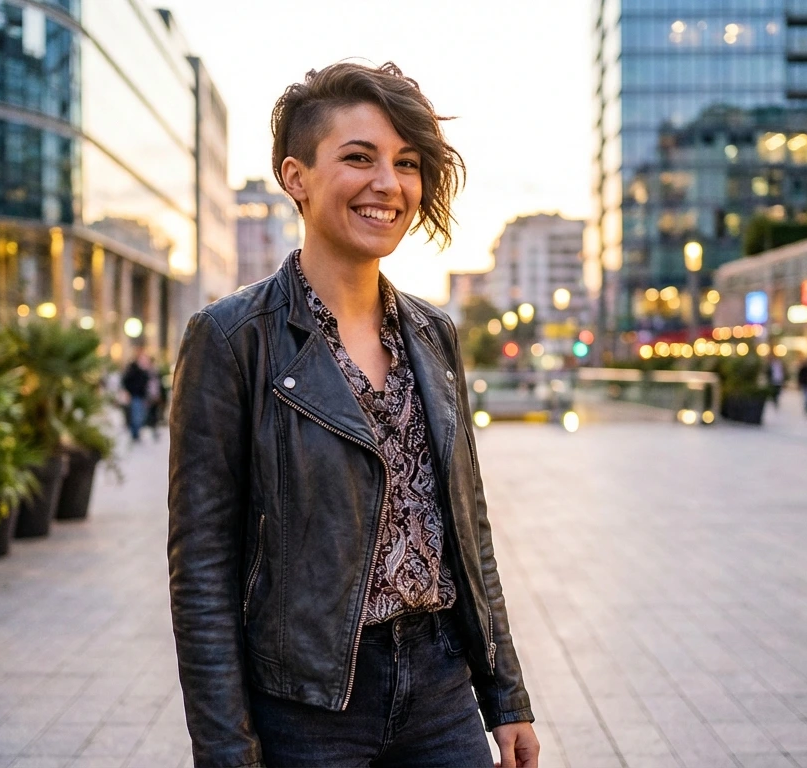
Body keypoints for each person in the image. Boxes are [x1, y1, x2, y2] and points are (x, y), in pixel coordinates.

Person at [167, 62, 538, 768]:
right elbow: (202, 572)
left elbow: (468, 527)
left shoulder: (434, 334)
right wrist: (225, 752)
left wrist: (506, 697)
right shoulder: (230, 339)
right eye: (358, 158)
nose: (388, 184)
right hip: (308, 707)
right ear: (296, 176)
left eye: (406, 163)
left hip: (439, 689)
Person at [121, 348, 158, 444]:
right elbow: (126, 381)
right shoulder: (133, 369)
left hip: (143, 396)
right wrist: (128, 392)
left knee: (142, 415)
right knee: (136, 416)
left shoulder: (146, 370)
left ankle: (136, 433)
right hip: (135, 395)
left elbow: (150, 382)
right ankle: (135, 434)